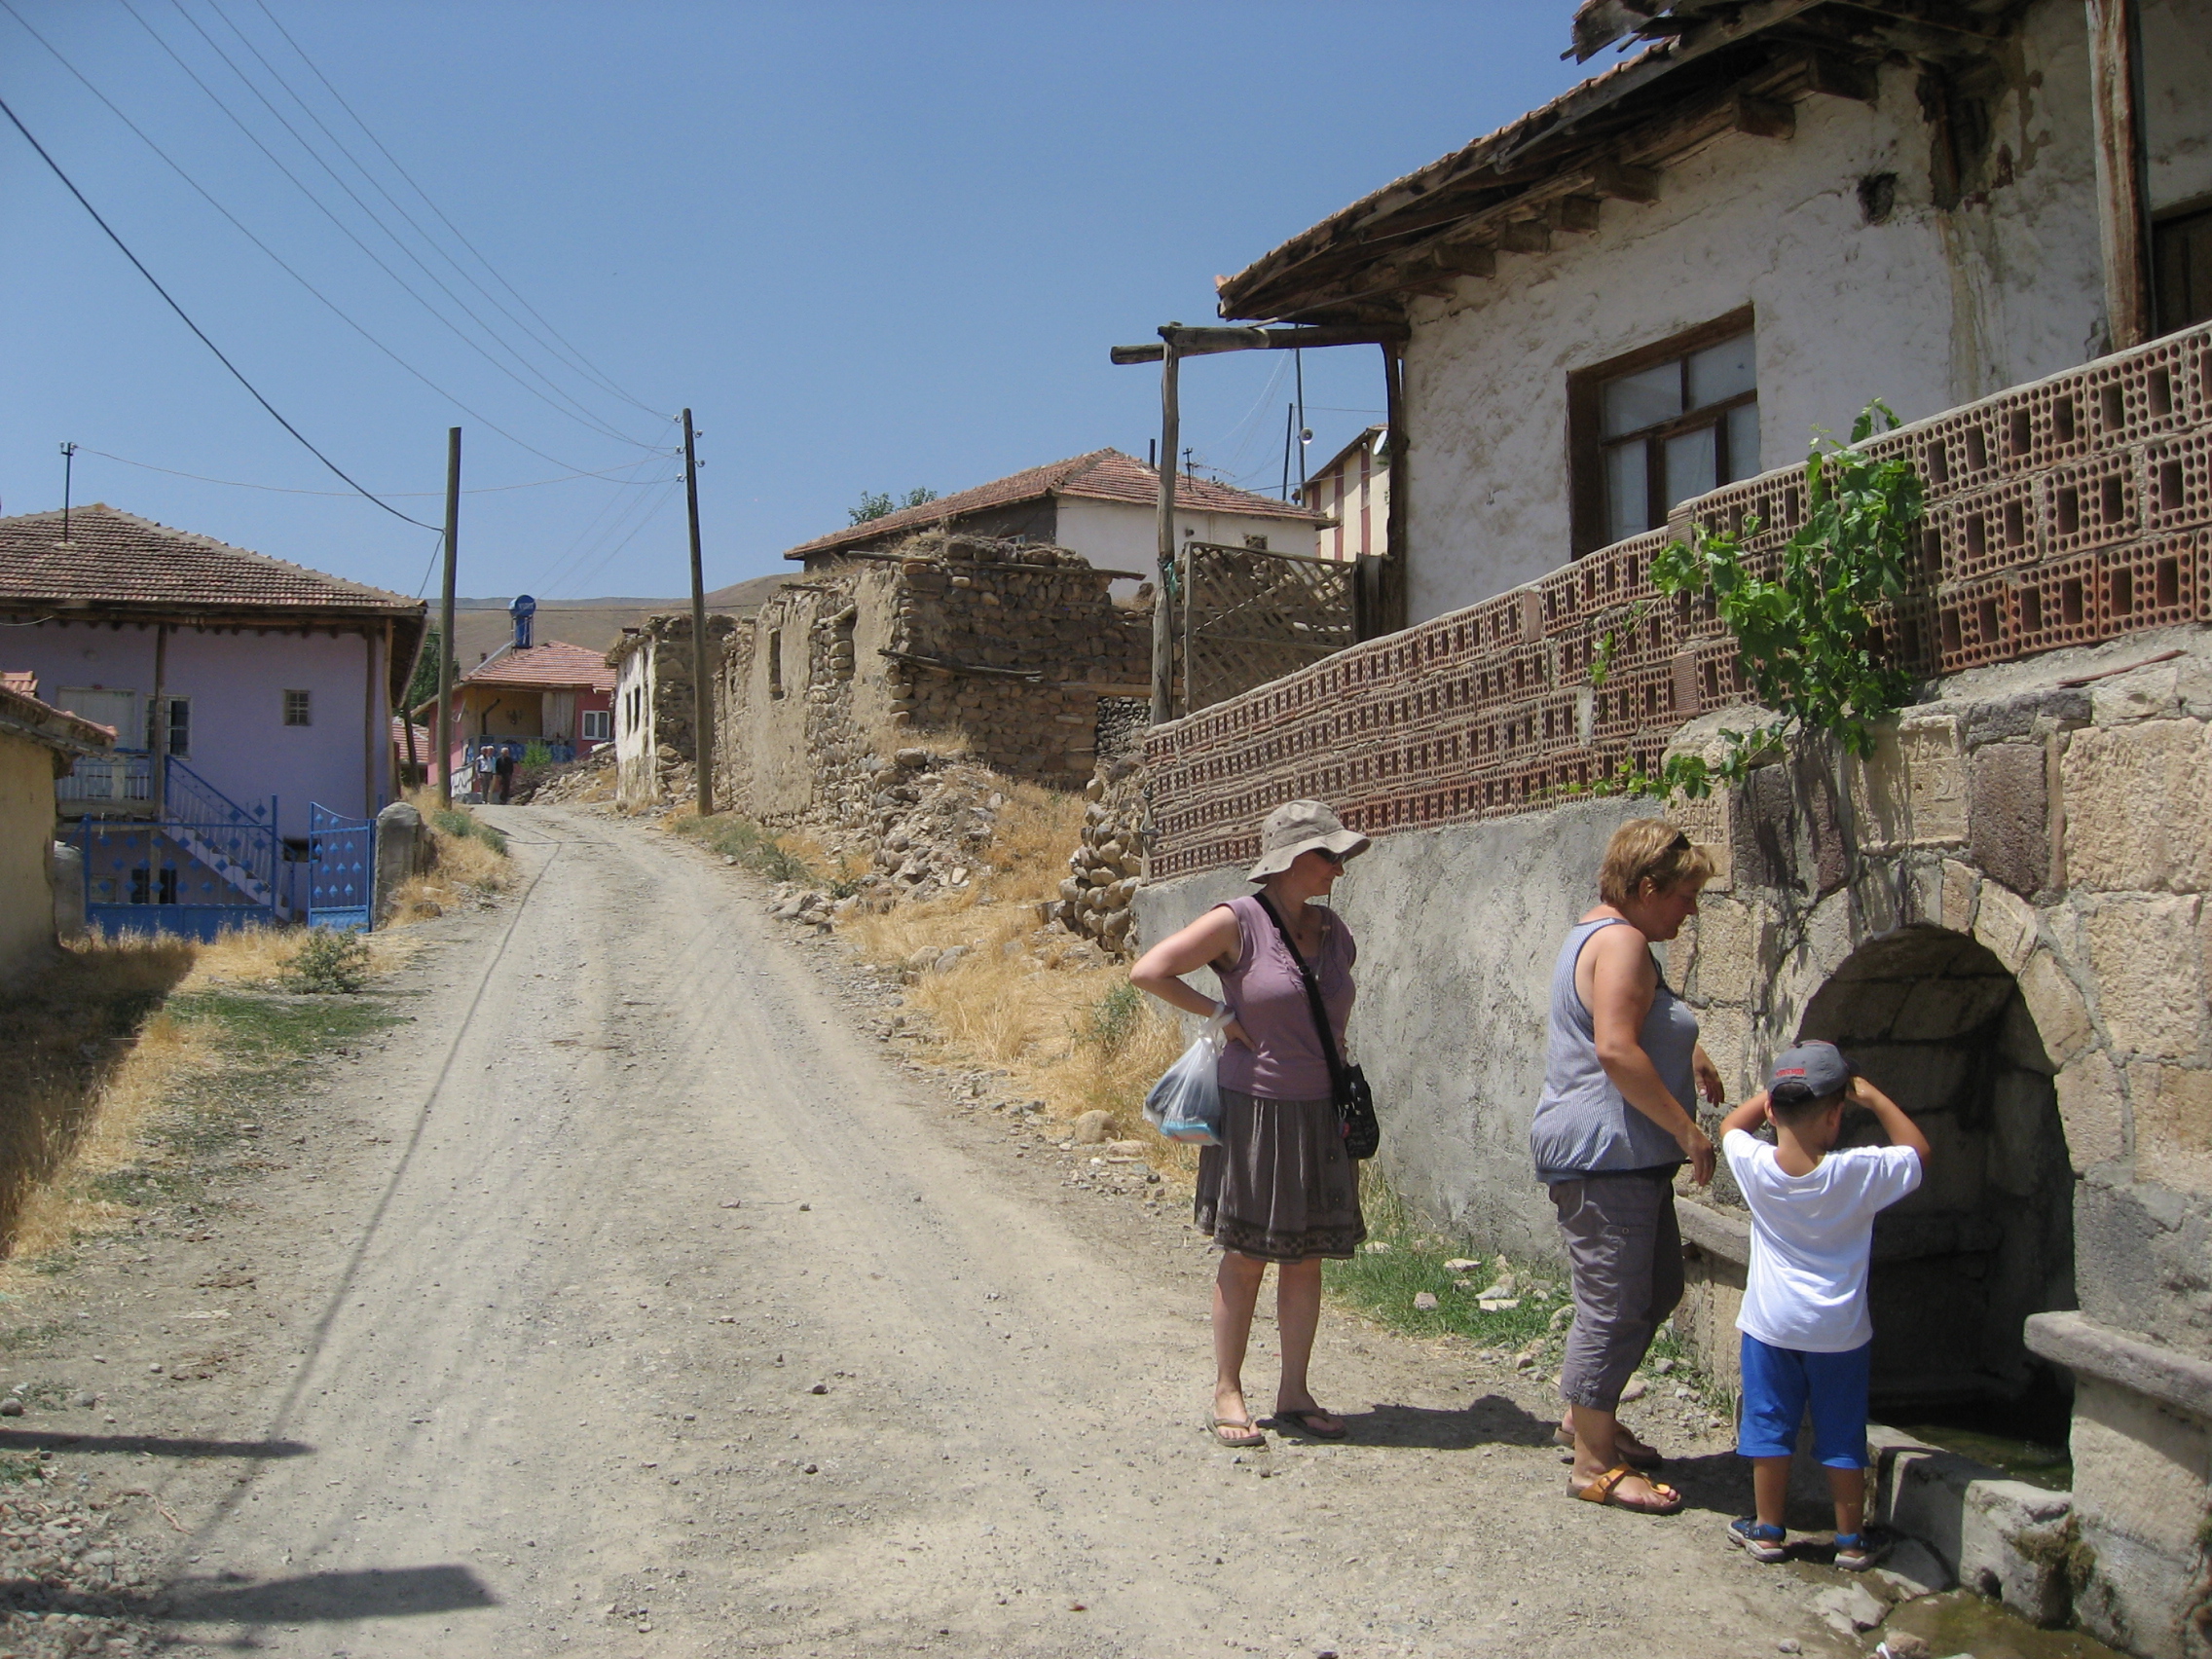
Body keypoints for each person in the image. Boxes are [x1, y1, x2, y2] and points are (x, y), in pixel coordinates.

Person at [1130, 799, 1370, 1449]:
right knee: (1246, 1257)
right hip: (1256, 1110)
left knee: (1308, 1257)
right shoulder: (1237, 921)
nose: (1339, 869)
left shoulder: (1334, 931)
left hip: (1320, 1111)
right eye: (1327, 856)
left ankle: (1294, 1392)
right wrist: (1218, 1014)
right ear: (1290, 860)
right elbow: (1149, 971)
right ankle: (1227, 1390)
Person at [1530, 818, 1723, 1513]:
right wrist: (1688, 1132)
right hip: (1606, 1156)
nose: (1690, 911)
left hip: (1623, 1156)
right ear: (1647, 889)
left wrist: (1689, 1053)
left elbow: (1630, 1019)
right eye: (1684, 896)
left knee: (1656, 1287)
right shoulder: (1622, 943)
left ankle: (1585, 1415)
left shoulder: (1605, 934)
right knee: (1612, 1308)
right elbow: (1614, 1047)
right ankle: (1592, 1463)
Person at [1718, 1044, 1929, 1569]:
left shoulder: (1756, 1166)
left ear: (1772, 1111)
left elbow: (1730, 1127)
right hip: (1840, 1331)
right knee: (1842, 1432)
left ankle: (1768, 1531)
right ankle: (1851, 1540)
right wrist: (1873, 1098)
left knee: (1769, 1425)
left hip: (1770, 1326)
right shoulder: (1858, 1173)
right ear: (1836, 1117)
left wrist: (1769, 1093)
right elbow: (1918, 1151)